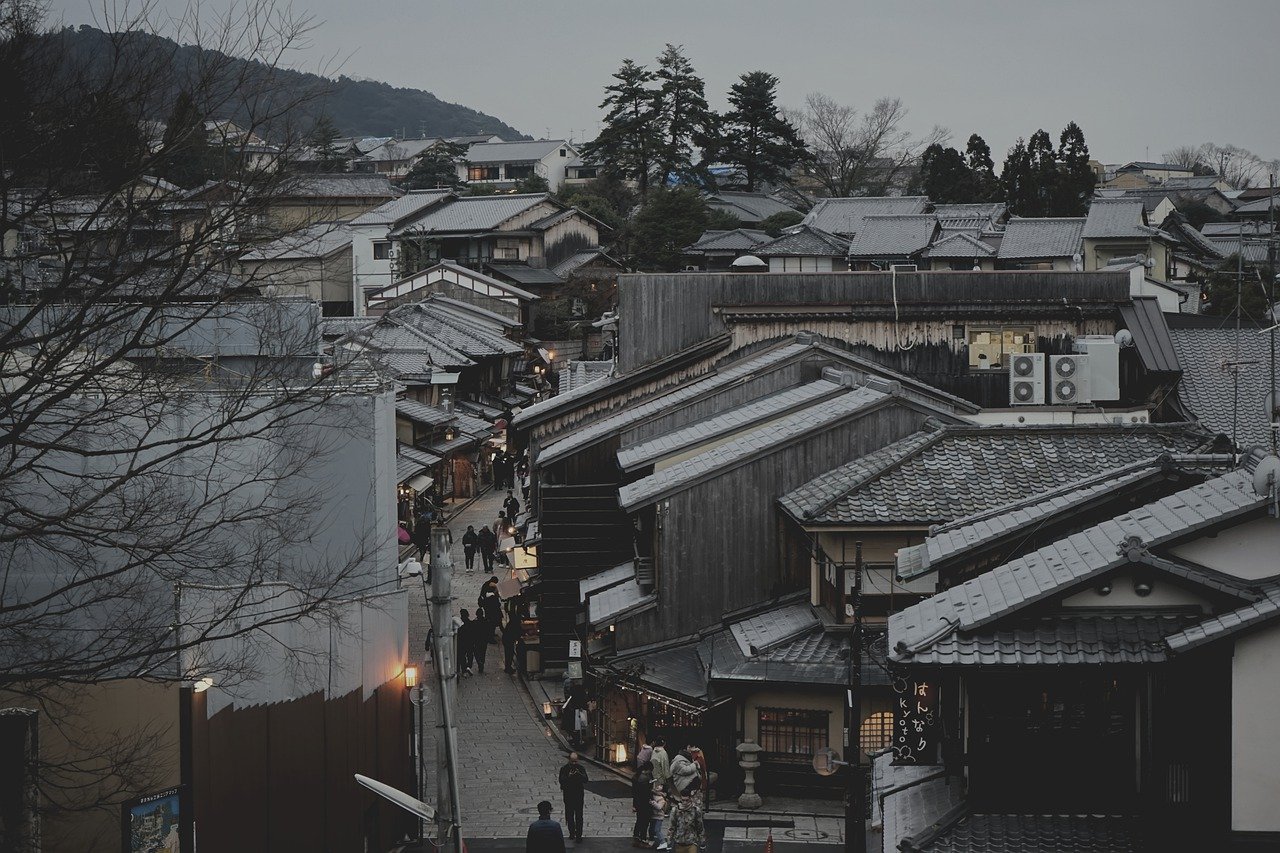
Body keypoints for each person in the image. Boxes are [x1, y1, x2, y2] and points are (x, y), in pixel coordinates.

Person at [558, 753, 588, 842]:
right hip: (569, 795)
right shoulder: (564, 769)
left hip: (578, 795)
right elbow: (561, 781)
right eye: (572, 761)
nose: (574, 763)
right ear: (569, 760)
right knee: (569, 815)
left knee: (579, 816)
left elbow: (586, 779)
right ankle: (571, 832)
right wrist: (569, 776)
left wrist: (579, 774)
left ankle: (579, 834)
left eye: (575, 761)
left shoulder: (581, 768)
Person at [632, 761, 654, 847]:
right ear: (648, 770)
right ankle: (643, 838)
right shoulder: (645, 779)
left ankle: (636, 835)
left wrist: (634, 804)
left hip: (638, 802)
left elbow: (634, 793)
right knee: (645, 821)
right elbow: (647, 792)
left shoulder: (637, 776)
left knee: (639, 819)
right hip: (644, 803)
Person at [650, 777, 669, 850]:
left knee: (657, 830)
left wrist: (653, 803)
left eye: (661, 786)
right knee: (652, 829)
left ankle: (663, 842)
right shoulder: (654, 793)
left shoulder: (661, 798)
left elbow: (659, 807)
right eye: (658, 785)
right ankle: (652, 840)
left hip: (659, 816)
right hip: (653, 815)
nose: (658, 786)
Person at [457, 609, 475, 676]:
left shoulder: (459, 624)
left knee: (462, 656)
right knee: (470, 656)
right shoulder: (471, 623)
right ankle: (467, 667)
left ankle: (464, 669)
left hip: (462, 643)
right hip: (469, 643)